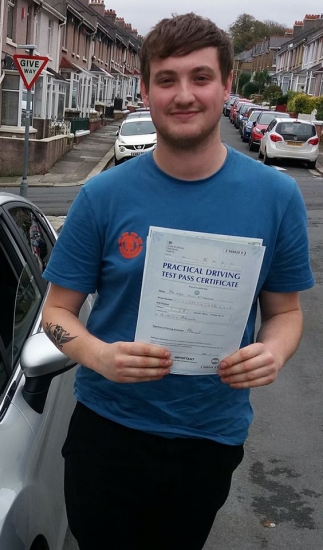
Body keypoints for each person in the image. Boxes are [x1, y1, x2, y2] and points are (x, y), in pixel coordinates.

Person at [41, 13, 315, 550]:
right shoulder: (103, 197)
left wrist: (273, 354)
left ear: (227, 84)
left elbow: (285, 312)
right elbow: (56, 314)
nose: (183, 94)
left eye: (200, 77)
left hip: (208, 434)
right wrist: (99, 356)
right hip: (109, 430)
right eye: (167, 79)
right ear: (145, 89)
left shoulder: (276, 197)